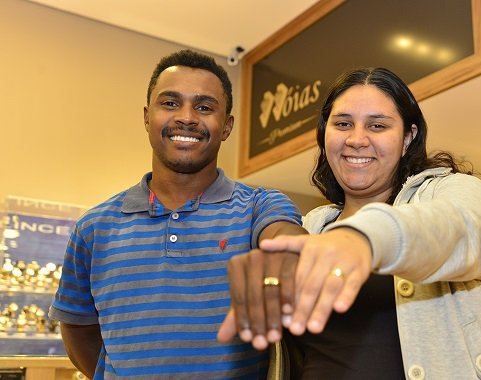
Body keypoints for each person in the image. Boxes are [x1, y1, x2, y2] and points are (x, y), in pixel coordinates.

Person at [218, 67, 481, 379]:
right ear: (324, 135)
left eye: (377, 125)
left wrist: (363, 239)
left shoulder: (450, 191)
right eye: (343, 124)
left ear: (407, 138)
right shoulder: (313, 226)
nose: (357, 139)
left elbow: (461, 232)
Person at [48, 49, 305, 380]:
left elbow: (287, 239)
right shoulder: (93, 228)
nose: (187, 117)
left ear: (226, 126)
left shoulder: (261, 206)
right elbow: (78, 330)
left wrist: (290, 258)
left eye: (204, 107)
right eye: (170, 103)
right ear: (146, 117)